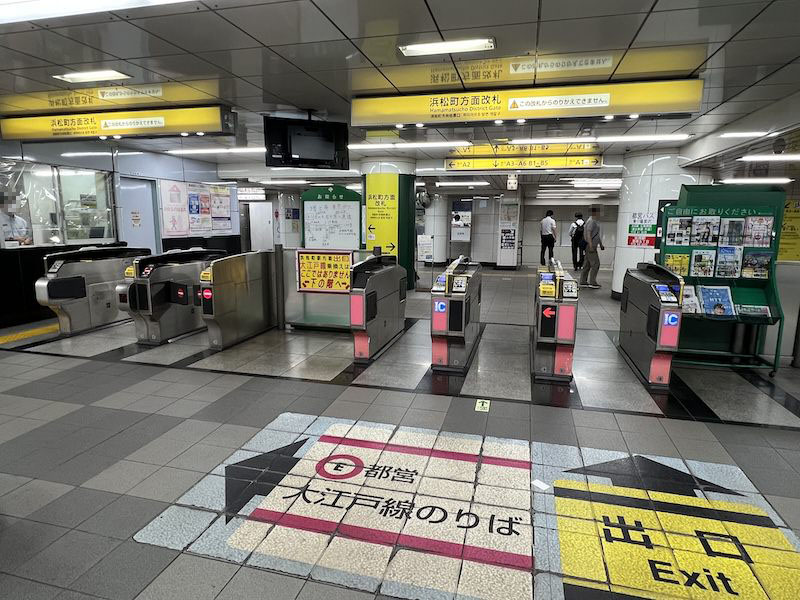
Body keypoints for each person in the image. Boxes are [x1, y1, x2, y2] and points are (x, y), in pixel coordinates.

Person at [579, 206, 604, 288]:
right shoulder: (591, 221)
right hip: (591, 245)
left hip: (592, 245)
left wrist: (600, 244)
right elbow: (588, 234)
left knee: (587, 264)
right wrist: (590, 245)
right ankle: (593, 282)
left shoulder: (594, 221)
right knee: (596, 264)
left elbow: (596, 234)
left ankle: (583, 281)